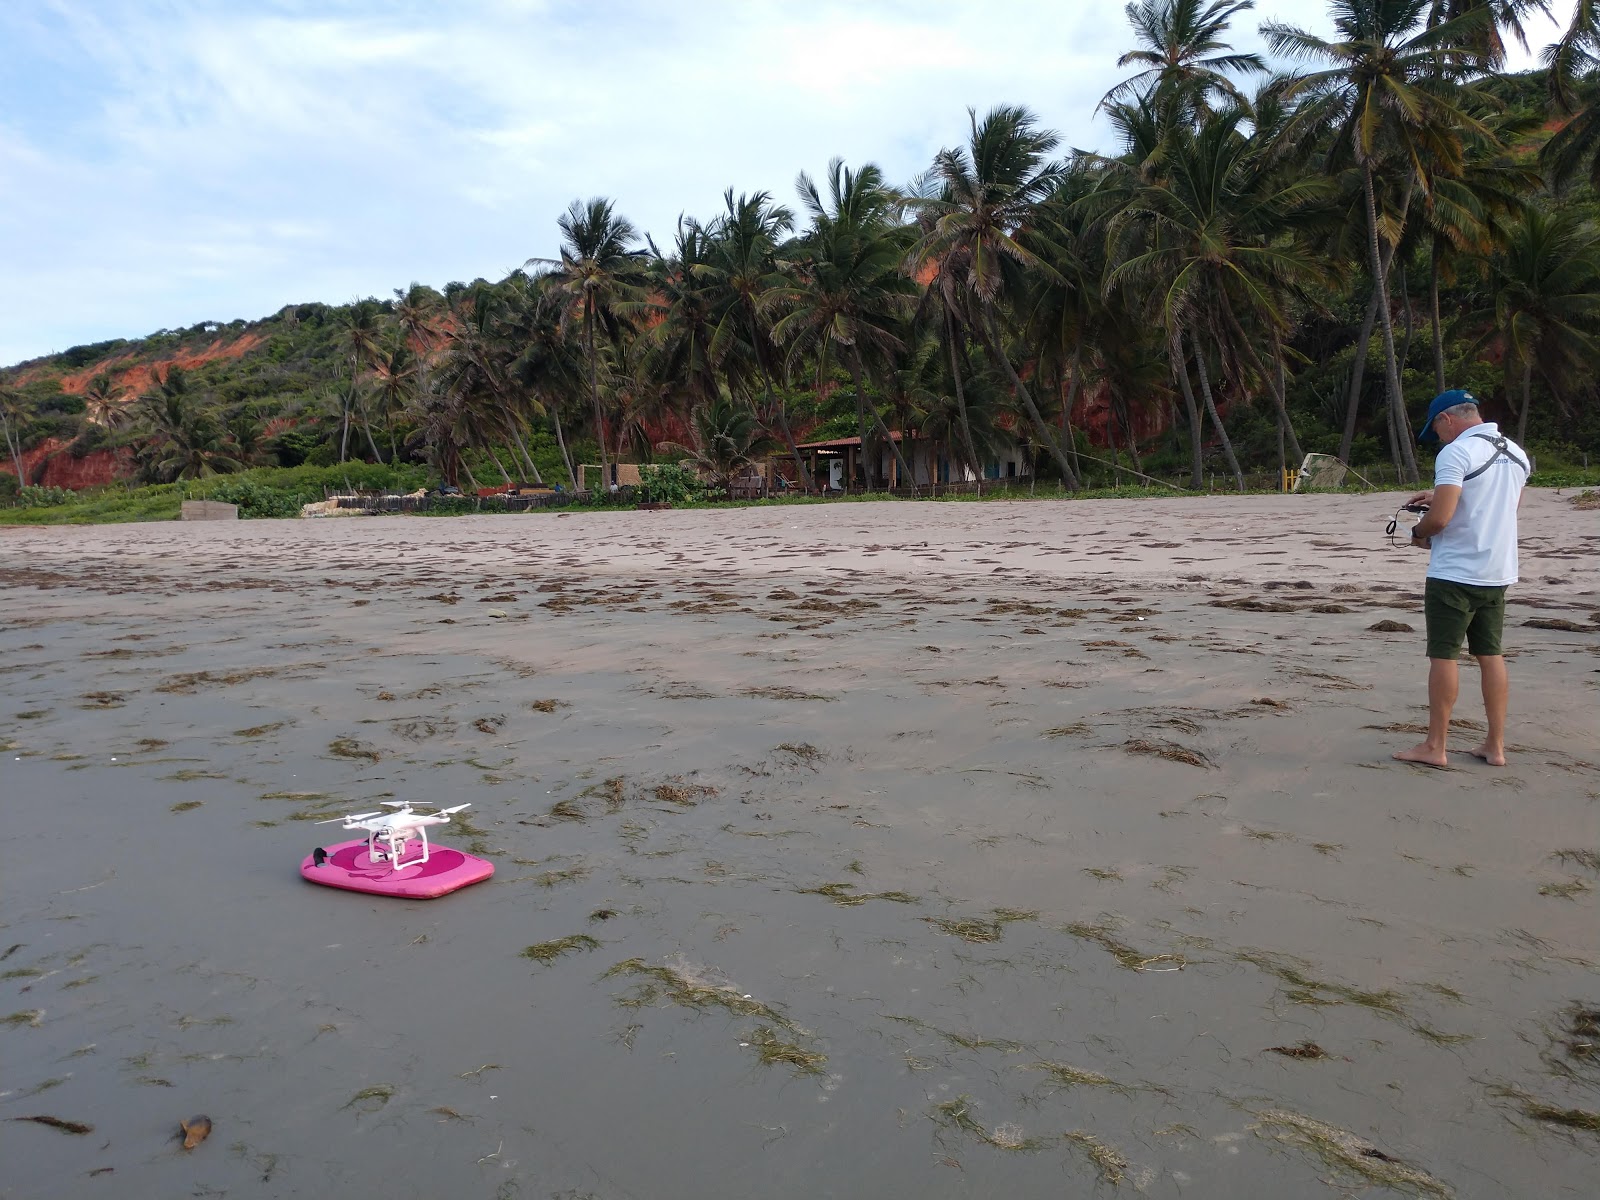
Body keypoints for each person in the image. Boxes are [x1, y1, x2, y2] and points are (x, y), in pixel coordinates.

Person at [1393, 389, 1529, 768]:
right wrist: (1439, 494)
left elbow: (1439, 520)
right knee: (1491, 655)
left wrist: (1417, 534)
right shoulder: (1516, 453)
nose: (1437, 436)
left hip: (1455, 572)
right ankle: (1495, 745)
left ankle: (1436, 746)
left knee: (1444, 655)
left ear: (1446, 419)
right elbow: (1504, 507)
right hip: (1498, 571)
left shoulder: (1455, 452)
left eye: (1435, 428)